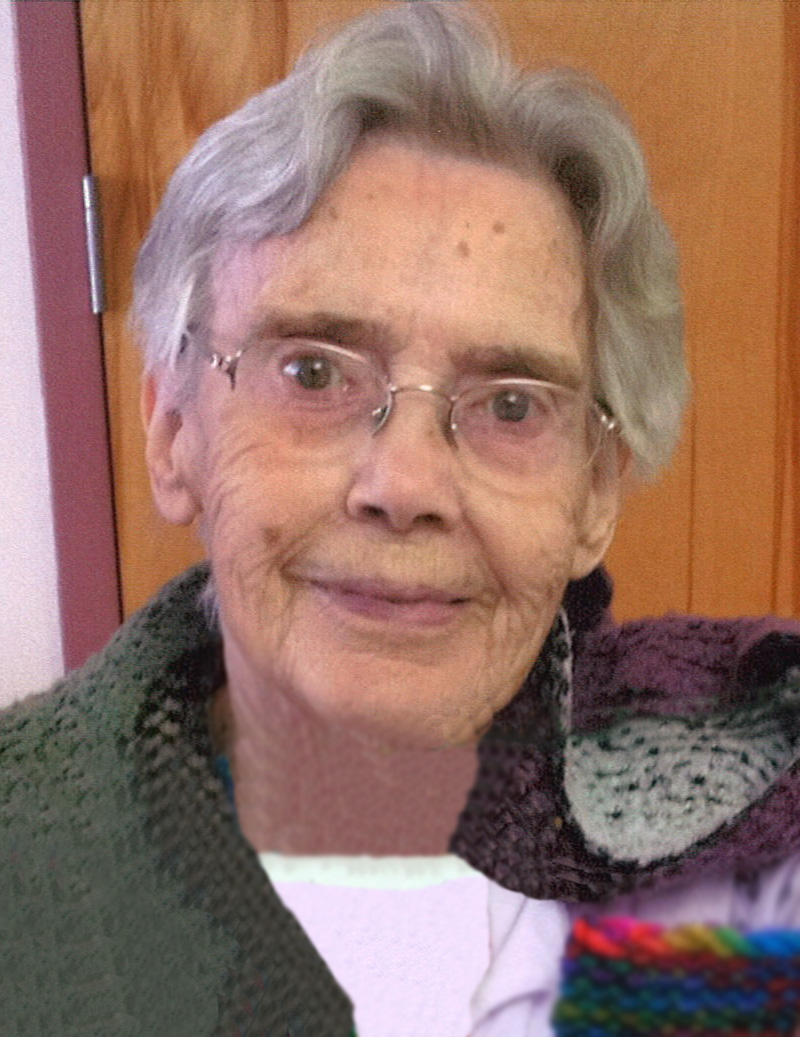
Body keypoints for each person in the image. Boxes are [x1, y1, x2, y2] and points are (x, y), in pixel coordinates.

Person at [3, 4, 800, 1036]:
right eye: (313, 372)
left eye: (511, 403)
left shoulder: (750, 851)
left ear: (596, 494)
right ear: (172, 432)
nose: (405, 481)